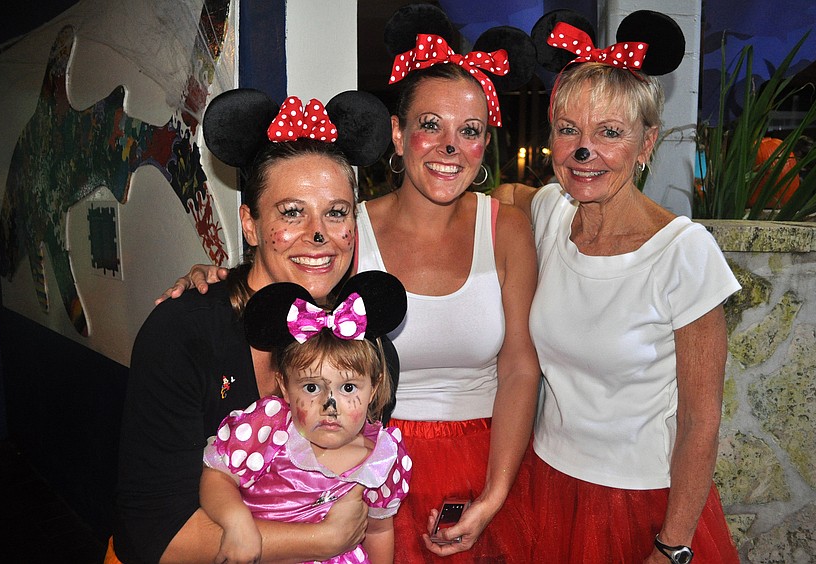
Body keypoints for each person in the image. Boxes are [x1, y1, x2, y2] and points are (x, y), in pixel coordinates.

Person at [158, 31, 542, 563]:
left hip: (483, 462)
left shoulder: (508, 228)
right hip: (357, 463)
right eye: (431, 124)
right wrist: (215, 278)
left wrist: (496, 493)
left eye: (470, 130)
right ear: (397, 133)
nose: (450, 147)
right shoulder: (348, 227)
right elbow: (287, 269)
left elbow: (521, 365)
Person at [494, 12, 741, 563]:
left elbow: (701, 422)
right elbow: (494, 198)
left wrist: (672, 546)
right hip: (546, 484)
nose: (585, 152)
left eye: (609, 132)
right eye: (569, 130)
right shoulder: (551, 213)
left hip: (641, 502)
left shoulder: (683, 252)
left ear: (646, 142)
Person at [109, 91, 392, 563]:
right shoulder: (185, 332)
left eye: (336, 212)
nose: (318, 233)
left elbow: (367, 498)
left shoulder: (362, 340)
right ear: (251, 225)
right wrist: (323, 540)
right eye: (292, 211)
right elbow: (154, 533)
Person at [201, 271, 411, 564]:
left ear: (373, 389)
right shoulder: (269, 429)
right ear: (285, 386)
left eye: (348, 387)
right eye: (312, 388)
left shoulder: (382, 458)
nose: (330, 406)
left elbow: (378, 531)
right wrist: (236, 522)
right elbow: (216, 477)